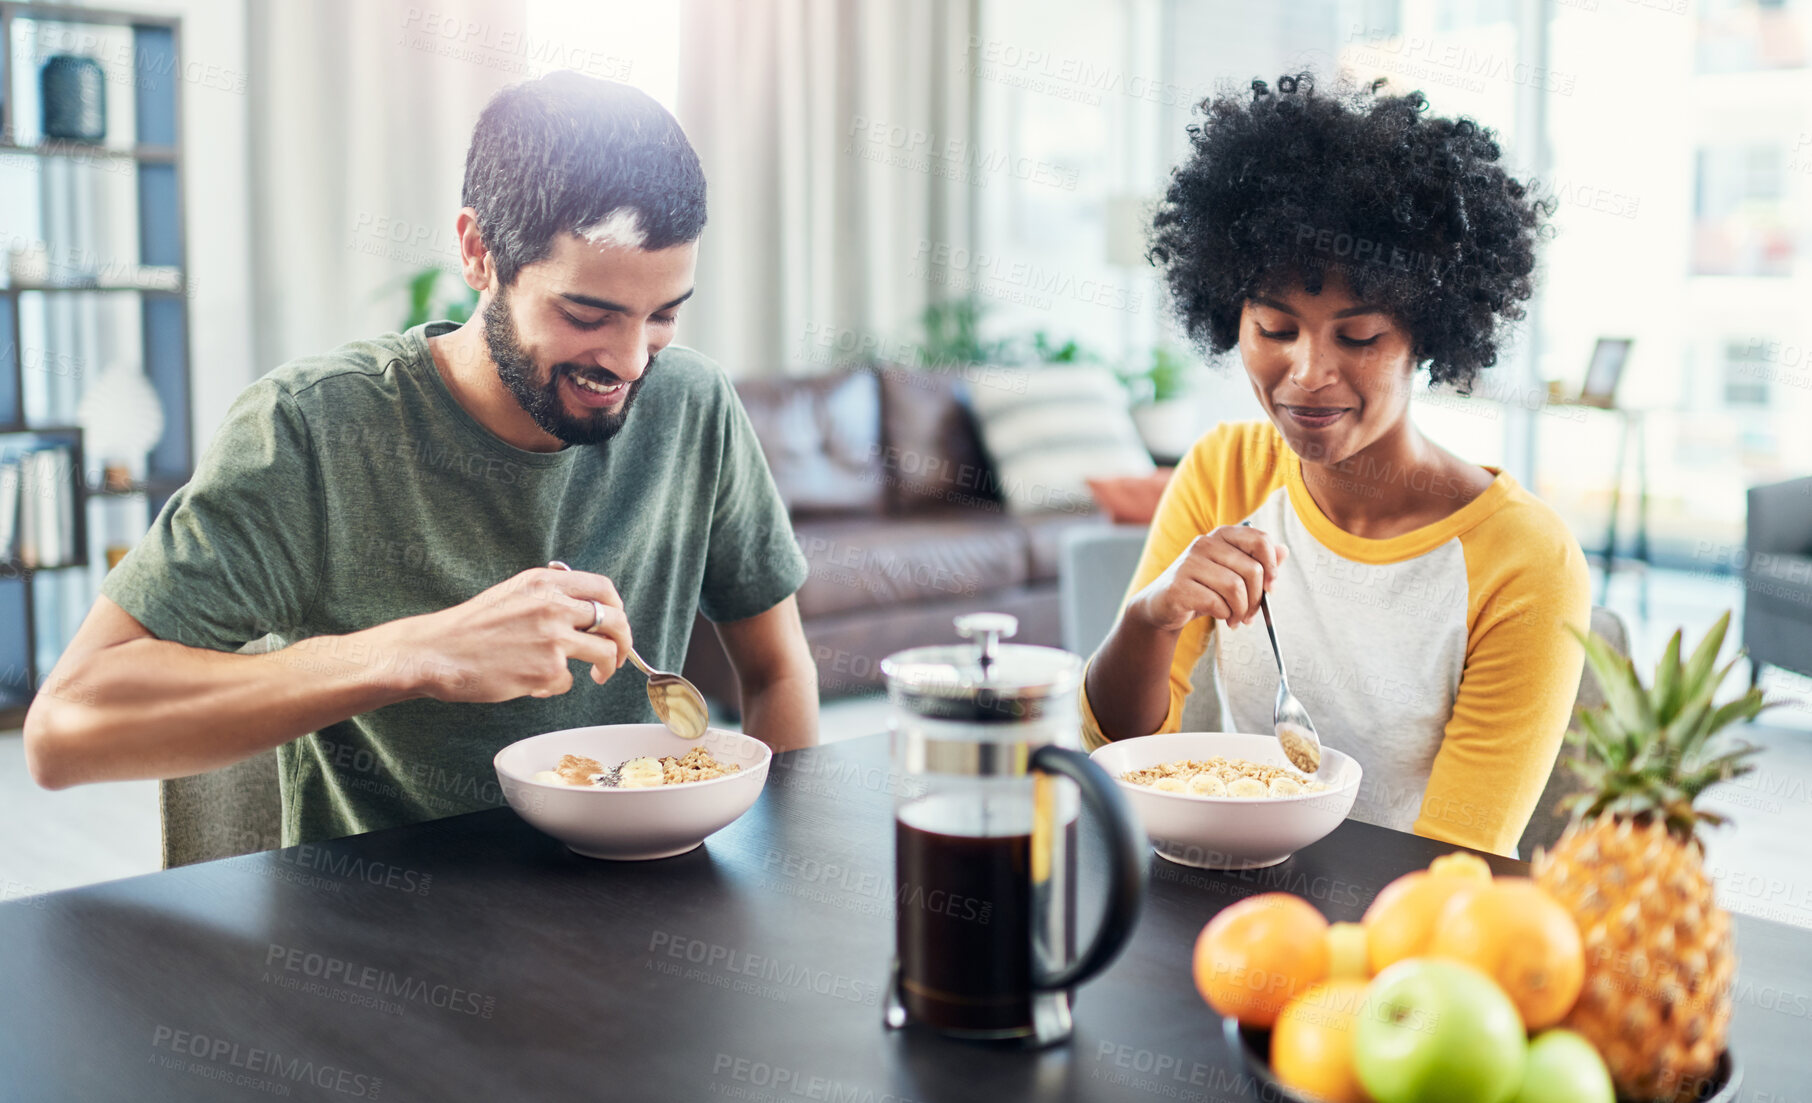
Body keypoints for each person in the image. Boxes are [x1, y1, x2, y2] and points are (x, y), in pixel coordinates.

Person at [24, 73, 818, 846]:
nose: (630, 363)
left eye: (663, 316)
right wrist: (417, 653)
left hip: (643, 912)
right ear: (478, 253)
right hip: (381, 943)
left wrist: (784, 873)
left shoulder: (694, 404)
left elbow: (779, 674)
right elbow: (65, 731)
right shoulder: (312, 430)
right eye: (586, 314)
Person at [1084, 74, 1590, 857]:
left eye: (1358, 338)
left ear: (1430, 336)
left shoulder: (1526, 558)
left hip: (1405, 945)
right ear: (1232, 317)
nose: (1308, 372)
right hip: (1226, 906)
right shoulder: (1227, 470)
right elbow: (1120, 751)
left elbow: (1462, 858)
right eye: (1275, 327)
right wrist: (1153, 616)